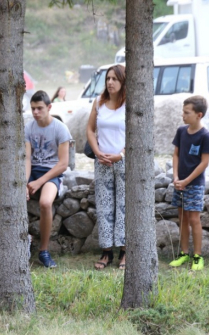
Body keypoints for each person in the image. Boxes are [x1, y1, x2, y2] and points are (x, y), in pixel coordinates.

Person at [86, 64, 126, 270]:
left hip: (124, 161)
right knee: (104, 207)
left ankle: (124, 252)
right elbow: (90, 130)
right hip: (102, 162)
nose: (110, 82)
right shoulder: (99, 103)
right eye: (108, 79)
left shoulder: (130, 104)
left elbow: (135, 134)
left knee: (123, 207)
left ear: (123, 81)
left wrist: (121, 155)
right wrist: (97, 152)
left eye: (115, 79)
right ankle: (106, 252)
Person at [25, 90, 71, 268]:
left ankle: (43, 250)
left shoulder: (60, 128)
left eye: (39, 108)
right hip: (33, 171)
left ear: (49, 107)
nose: (35, 112)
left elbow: (63, 164)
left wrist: (38, 182)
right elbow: (27, 158)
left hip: (52, 173)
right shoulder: (28, 128)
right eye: (33, 109)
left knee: (45, 203)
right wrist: (25, 182)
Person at [169, 96, 209, 271]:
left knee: (194, 219)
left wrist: (187, 181)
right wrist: (176, 177)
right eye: (183, 111)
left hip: (194, 185)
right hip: (180, 183)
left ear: (199, 115)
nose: (183, 115)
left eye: (187, 113)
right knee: (182, 218)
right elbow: (176, 155)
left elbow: (204, 162)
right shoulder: (181, 131)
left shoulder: (205, 136)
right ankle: (184, 253)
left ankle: (197, 256)